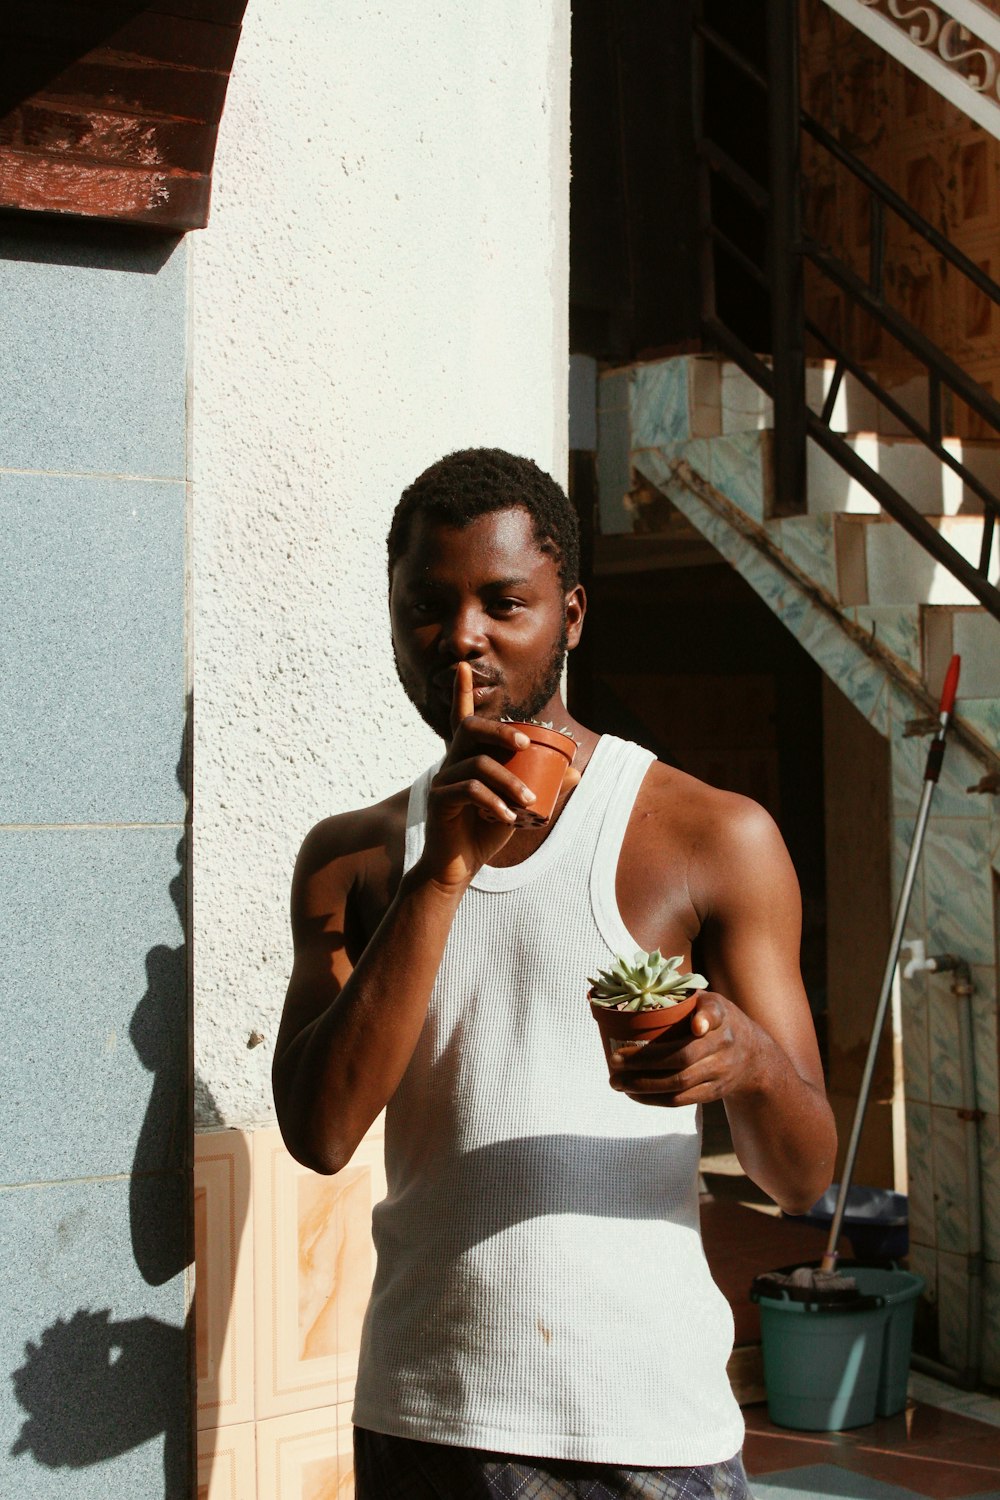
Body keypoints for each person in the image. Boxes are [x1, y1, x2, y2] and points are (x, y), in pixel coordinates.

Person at [273, 448, 836, 1500]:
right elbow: (320, 1133)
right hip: (425, 1414)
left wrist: (747, 1060)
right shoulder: (352, 858)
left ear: (571, 615)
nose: (463, 638)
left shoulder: (710, 835)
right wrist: (439, 872)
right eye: (426, 607)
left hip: (645, 1430)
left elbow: (799, 1177)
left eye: (504, 602)